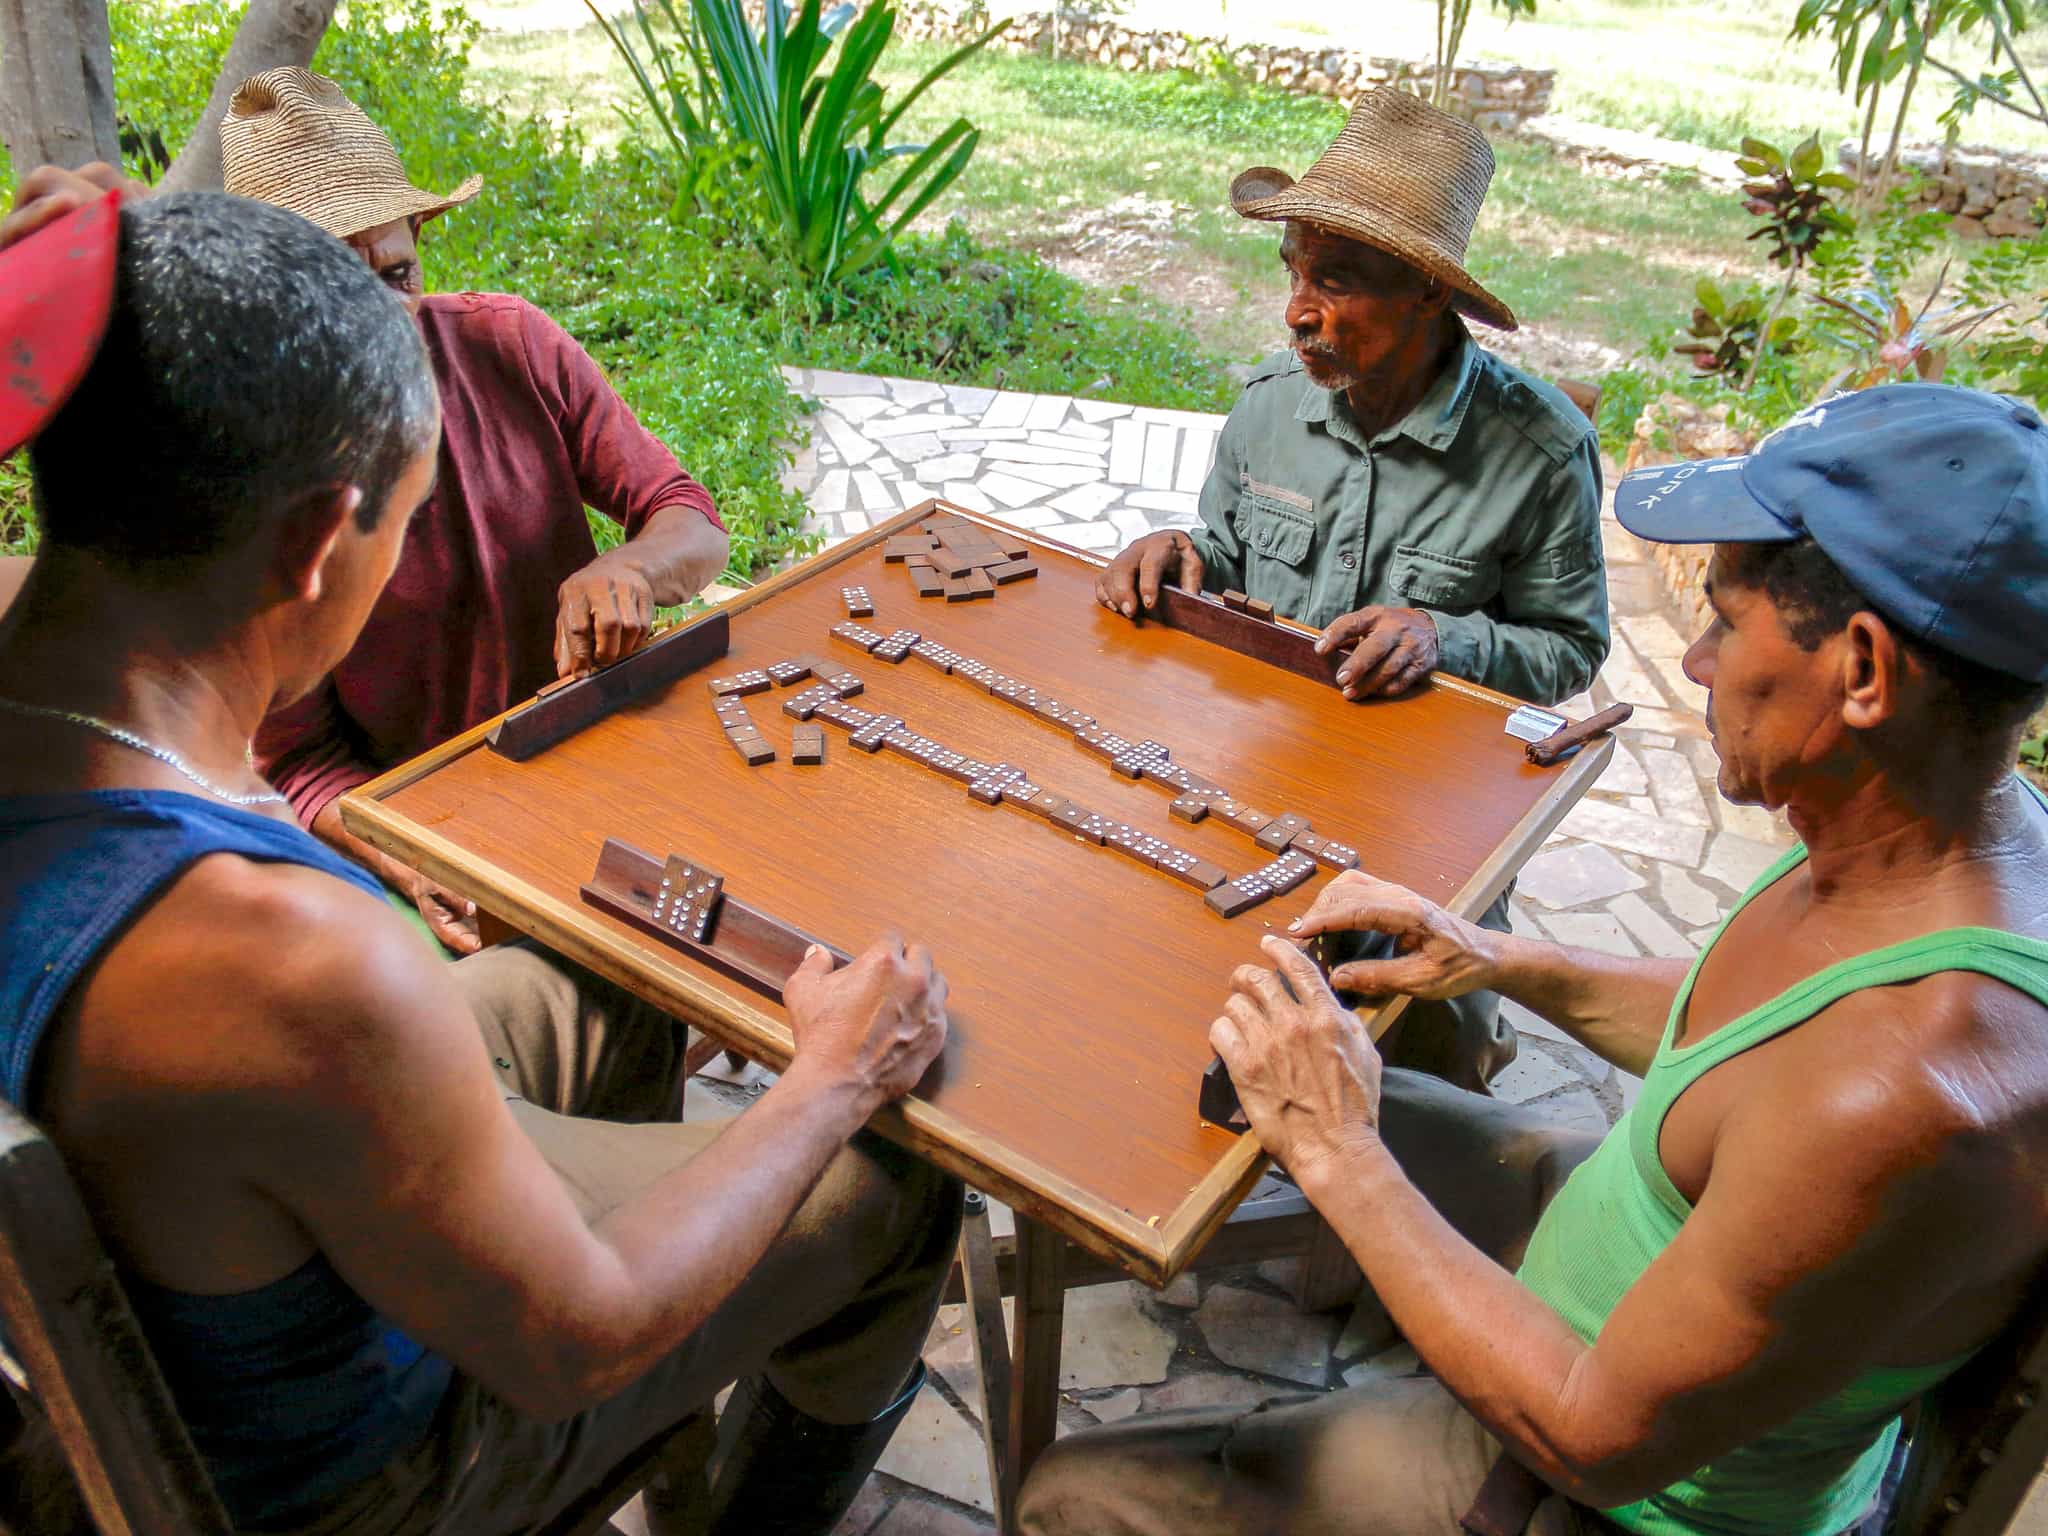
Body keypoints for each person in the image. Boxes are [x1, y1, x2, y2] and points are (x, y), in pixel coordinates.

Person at [0, 173, 958, 1536]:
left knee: (603, 954)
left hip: (197, 1267)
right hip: (363, 1472)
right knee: (896, 1180)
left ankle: (636, 1197)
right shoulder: (287, 963)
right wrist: (832, 1077)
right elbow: (575, 1341)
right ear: (322, 539)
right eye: (400, 527)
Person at [1022, 382, 2048, 1536]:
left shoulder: (1900, 1091)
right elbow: (1735, 1034)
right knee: (1202, 1079)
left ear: (1861, 670)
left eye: (1721, 619)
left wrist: (1340, 1152)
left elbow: (1593, 1434)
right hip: (1626, 1243)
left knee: (1069, 1496)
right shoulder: (1958, 825)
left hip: (1596, 1481)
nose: (1696, 663)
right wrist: (1496, 957)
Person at [1108, 89, 1610, 1090]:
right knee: (1145, 971)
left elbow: (1567, 649)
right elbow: (1231, 555)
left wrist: (1443, 637)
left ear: (1427, 292)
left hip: (1426, 801)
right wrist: (1183, 554)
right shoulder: (1265, 410)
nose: (1298, 309)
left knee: (1433, 1043)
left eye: (1336, 280)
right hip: (1257, 771)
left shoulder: (1540, 451)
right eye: (1293, 270)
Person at [219, 67, 731, 954]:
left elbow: (689, 517)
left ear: (418, 236)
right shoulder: (251, 482)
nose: (386, 315)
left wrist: (630, 566)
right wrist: (412, 860)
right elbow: (298, 762)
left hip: (594, 746)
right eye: (342, 292)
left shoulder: (512, 345)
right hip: (427, 813)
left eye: (396, 272)